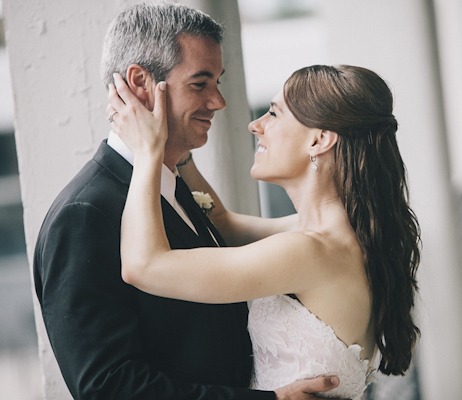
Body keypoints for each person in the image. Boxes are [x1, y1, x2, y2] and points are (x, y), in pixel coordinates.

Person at [33, 3, 339, 399]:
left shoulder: (170, 185)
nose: (219, 102)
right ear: (140, 83)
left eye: (218, 82)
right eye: (200, 84)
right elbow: (108, 387)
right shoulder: (84, 215)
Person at [107, 64, 422, 400]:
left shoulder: (312, 251)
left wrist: (148, 152)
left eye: (274, 113)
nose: (255, 125)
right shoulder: (340, 232)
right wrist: (177, 149)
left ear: (318, 140)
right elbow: (224, 225)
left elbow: (144, 266)